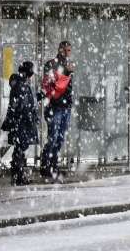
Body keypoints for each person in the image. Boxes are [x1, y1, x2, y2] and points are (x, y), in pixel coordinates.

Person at [39, 41, 75, 179]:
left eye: (69, 51)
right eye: (65, 50)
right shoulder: (52, 64)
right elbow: (53, 83)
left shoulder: (68, 64)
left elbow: (66, 86)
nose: (67, 53)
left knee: (59, 138)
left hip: (65, 106)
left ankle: (53, 165)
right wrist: (66, 72)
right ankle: (46, 165)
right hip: (55, 106)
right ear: (59, 50)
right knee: (53, 137)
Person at [1, 61, 39, 185]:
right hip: (21, 122)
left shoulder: (20, 85)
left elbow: (20, 104)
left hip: (18, 121)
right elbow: (23, 106)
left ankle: (18, 175)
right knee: (20, 149)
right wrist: (30, 119)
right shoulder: (22, 86)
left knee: (20, 148)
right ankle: (18, 176)